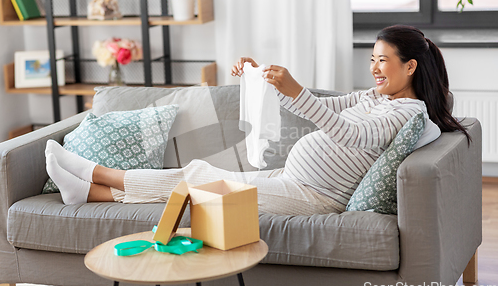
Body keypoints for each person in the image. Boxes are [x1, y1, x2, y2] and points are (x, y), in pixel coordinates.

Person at [45, 24, 469, 215]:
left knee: (200, 184)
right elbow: (331, 108)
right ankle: (88, 191)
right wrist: (260, 75)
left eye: (383, 61)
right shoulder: (376, 95)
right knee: (201, 180)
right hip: (296, 180)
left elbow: (352, 135)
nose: (375, 68)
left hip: (315, 198)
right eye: (372, 59)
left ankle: (95, 174)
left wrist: (297, 92)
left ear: (410, 67)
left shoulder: (407, 110)